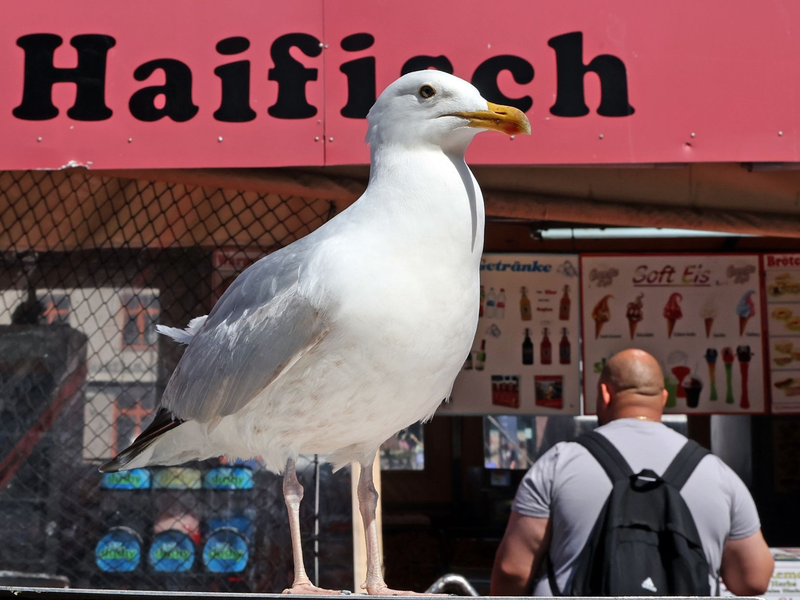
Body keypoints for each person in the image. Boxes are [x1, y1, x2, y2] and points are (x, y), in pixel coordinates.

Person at [491, 348, 774, 596]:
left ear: (605, 394)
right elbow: (753, 580)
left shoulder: (558, 464)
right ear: (664, 398)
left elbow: (512, 570)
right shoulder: (717, 473)